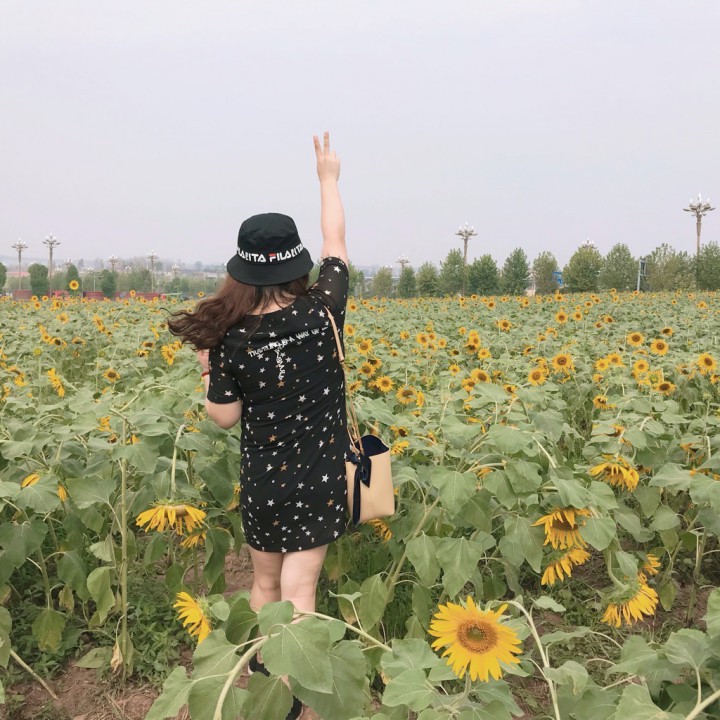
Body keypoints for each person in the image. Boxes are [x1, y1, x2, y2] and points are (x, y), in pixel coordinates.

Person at [168, 132, 348, 720]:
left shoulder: (231, 337)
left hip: (265, 481)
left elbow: (223, 417)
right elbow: (337, 241)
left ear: (243, 270)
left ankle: (264, 687)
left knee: (267, 588)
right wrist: (327, 179)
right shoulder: (324, 309)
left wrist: (207, 371)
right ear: (296, 264)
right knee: (302, 593)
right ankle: (293, 702)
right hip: (320, 478)